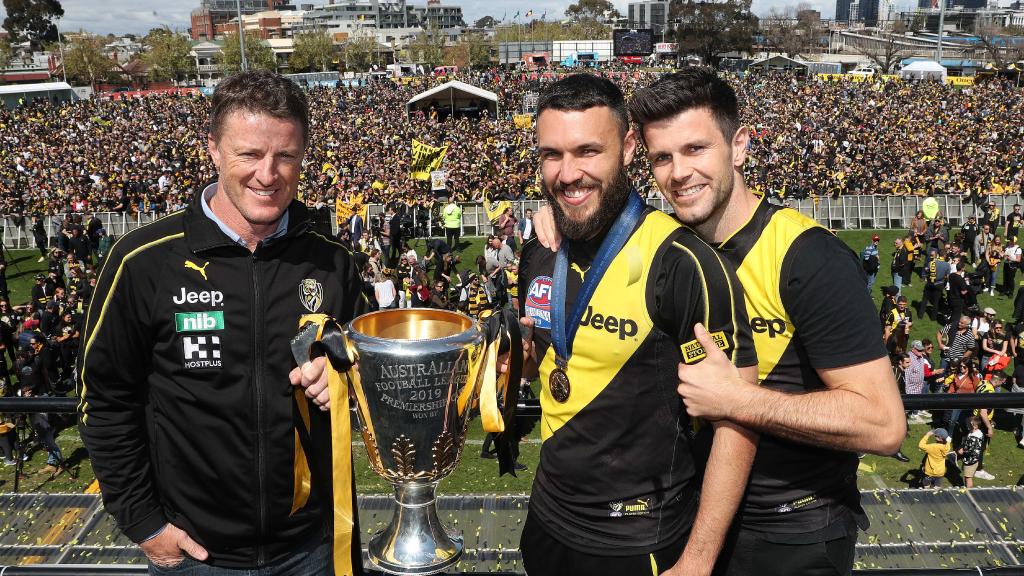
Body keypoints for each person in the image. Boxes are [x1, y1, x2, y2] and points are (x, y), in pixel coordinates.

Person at [532, 68, 905, 576]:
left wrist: (741, 400)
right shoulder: (673, 250)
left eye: (696, 149)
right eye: (664, 157)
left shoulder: (807, 258)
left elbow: (883, 424)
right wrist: (562, 218)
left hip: (789, 531)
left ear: (740, 146)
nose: (680, 172)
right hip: (694, 517)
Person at [78, 70, 368, 574]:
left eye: (286, 156)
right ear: (213, 150)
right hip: (196, 553)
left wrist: (344, 376)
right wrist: (143, 522)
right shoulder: (143, 261)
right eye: (249, 154)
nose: (268, 174)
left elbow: (365, 368)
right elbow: (105, 399)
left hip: (313, 546)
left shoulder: (334, 259)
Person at [518, 74, 759, 576]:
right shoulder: (539, 248)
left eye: (588, 151)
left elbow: (737, 421)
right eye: (552, 154)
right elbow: (553, 365)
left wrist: (696, 562)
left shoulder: (683, 261)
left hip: (638, 543)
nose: (568, 174)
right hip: (546, 523)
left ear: (628, 148)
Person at [959, 416, 986, 488]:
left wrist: (963, 450)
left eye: (970, 424)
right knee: (967, 476)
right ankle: (966, 488)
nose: (968, 426)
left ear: (975, 426)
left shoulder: (974, 437)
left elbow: (971, 449)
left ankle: (969, 492)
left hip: (971, 460)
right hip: (970, 459)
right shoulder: (976, 432)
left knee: (968, 478)